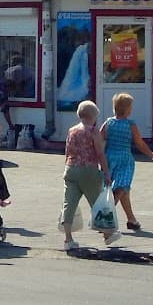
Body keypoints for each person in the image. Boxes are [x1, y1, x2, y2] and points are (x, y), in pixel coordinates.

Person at [58, 99, 107, 252]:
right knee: (97, 202)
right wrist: (106, 172)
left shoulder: (72, 130)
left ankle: (68, 239)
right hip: (89, 170)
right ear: (93, 116)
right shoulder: (93, 131)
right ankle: (107, 234)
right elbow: (99, 153)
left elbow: (67, 151)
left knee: (69, 204)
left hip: (71, 169)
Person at [103, 93, 153, 232]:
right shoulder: (130, 124)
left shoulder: (108, 122)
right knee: (121, 187)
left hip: (108, 158)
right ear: (127, 109)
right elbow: (139, 142)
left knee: (123, 190)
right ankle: (104, 218)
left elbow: (99, 138)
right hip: (125, 159)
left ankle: (131, 220)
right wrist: (149, 153)